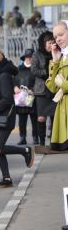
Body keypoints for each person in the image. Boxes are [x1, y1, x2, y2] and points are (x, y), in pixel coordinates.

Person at [0, 50, 35, 188]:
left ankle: (25, 151)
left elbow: (7, 99)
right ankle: (6, 178)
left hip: (3, 118)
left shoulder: (4, 76)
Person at [46, 21, 68, 151]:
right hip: (62, 110)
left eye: (61, 34)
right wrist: (55, 60)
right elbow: (52, 88)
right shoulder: (62, 56)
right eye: (55, 37)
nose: (58, 39)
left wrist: (63, 84)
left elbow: (60, 85)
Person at [31, 31, 56, 147]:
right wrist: (47, 72)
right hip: (41, 90)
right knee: (41, 118)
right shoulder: (37, 54)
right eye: (48, 43)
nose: (51, 45)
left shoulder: (57, 53)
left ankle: (53, 142)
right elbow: (34, 70)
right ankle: (42, 143)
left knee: (54, 117)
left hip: (55, 90)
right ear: (43, 44)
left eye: (52, 42)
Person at [14, 49, 38, 145]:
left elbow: (39, 82)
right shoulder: (18, 69)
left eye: (32, 57)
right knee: (22, 120)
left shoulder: (35, 70)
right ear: (25, 58)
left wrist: (33, 90)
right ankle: (22, 137)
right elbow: (14, 80)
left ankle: (35, 137)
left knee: (34, 119)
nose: (30, 59)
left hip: (32, 96)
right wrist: (15, 87)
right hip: (21, 97)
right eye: (28, 57)